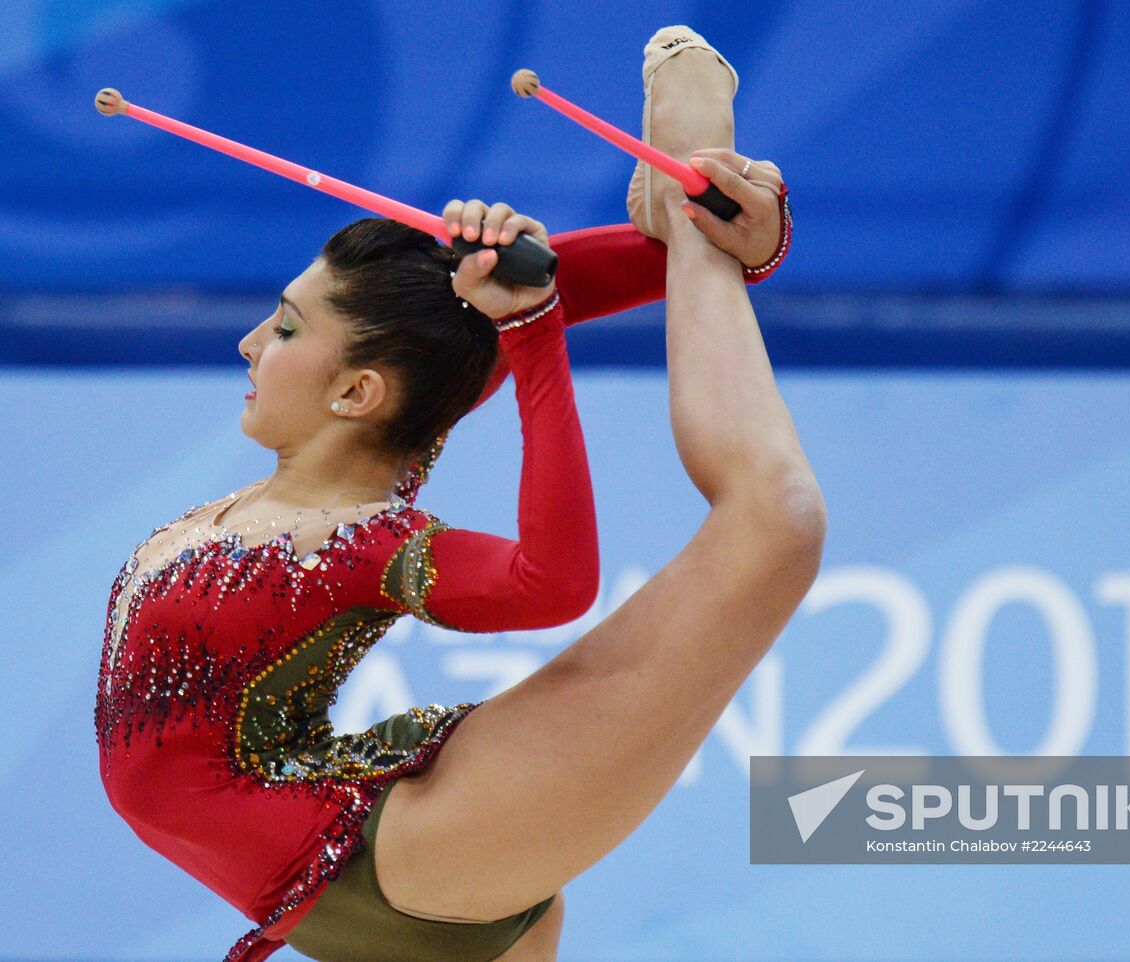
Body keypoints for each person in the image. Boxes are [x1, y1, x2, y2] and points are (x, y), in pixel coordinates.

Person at [94, 25, 799, 962]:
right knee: (769, 509)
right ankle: (687, 205)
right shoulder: (300, 497)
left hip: (414, 855)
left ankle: (692, 149)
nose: (249, 345)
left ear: (356, 392)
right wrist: (611, 260)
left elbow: (554, 586)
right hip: (368, 861)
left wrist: (541, 326)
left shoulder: (361, 542)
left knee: (776, 524)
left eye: (284, 328)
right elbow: (453, 330)